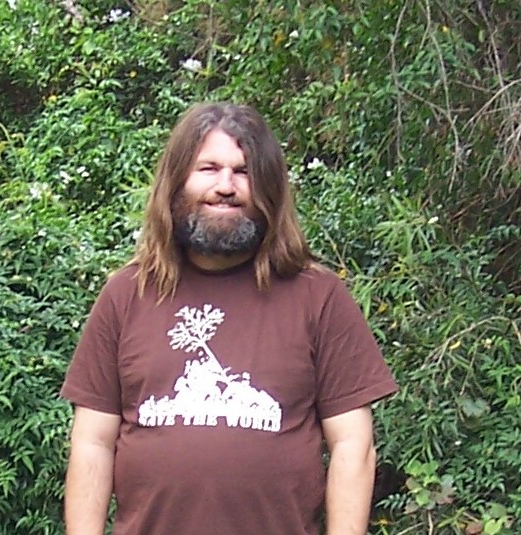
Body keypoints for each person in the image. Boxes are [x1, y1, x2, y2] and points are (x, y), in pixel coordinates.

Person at [60, 102, 398, 535]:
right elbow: (92, 443)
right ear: (176, 182)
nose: (225, 186)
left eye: (243, 171)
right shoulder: (127, 295)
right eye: (208, 169)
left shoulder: (319, 297)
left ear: (269, 188)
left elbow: (354, 445)